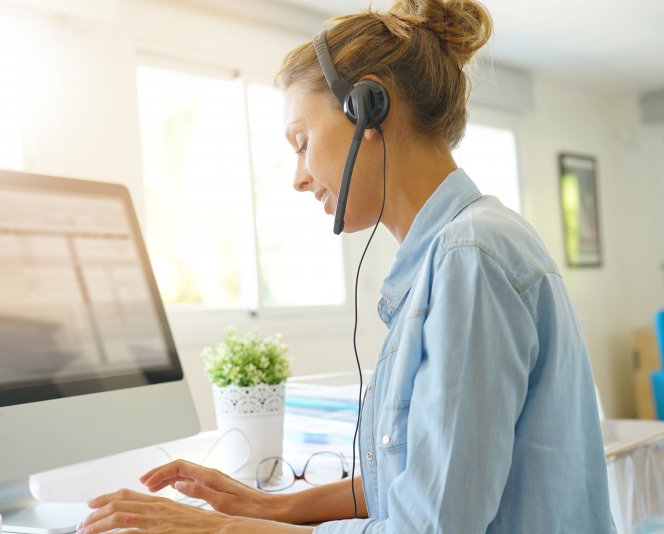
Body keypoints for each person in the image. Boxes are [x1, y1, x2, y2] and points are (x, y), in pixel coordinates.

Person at [76, 0, 616, 532]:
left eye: (301, 141)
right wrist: (272, 508)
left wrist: (212, 530)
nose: (299, 177)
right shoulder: (457, 253)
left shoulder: (469, 259)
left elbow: (429, 527)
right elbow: (424, 480)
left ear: (369, 108)